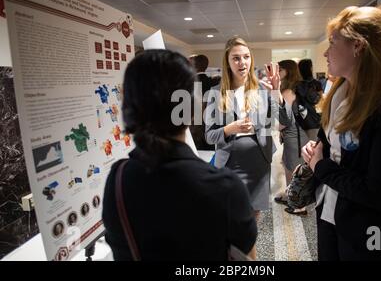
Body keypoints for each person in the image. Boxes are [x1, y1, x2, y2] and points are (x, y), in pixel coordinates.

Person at [102, 49, 257, 261]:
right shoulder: (224, 187)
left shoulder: (117, 179)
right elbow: (244, 249)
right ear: (190, 107)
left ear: (128, 105)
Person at [301, 6, 381, 261]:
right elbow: (331, 141)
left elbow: (380, 194)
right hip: (332, 214)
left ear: (358, 46)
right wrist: (315, 149)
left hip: (373, 233)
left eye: (332, 43)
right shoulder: (340, 91)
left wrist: (321, 166)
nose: (326, 53)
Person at [205, 37, 283, 222]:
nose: (243, 62)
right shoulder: (216, 93)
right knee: (232, 217)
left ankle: (249, 251)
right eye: (236, 58)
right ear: (228, 62)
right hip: (230, 164)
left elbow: (287, 120)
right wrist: (229, 129)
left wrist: (276, 91)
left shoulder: (263, 90)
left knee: (253, 217)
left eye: (246, 57)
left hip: (259, 163)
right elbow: (209, 136)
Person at [273, 60, 309, 216]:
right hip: (297, 133)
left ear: (286, 71)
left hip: (293, 134)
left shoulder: (288, 91)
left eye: (279, 69)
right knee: (290, 166)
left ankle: (299, 206)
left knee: (294, 169)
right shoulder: (296, 88)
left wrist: (271, 126)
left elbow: (284, 119)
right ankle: (291, 197)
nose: (277, 73)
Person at [189, 54, 219, 150]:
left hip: (194, 127)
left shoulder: (188, 84)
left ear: (194, 66)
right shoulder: (215, 83)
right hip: (212, 126)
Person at [296, 59, 323, 140]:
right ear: (310, 68)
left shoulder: (296, 86)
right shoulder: (317, 84)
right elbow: (321, 102)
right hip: (315, 120)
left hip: (301, 120)